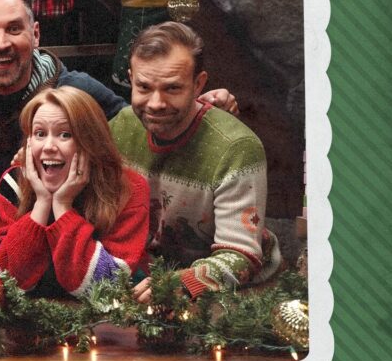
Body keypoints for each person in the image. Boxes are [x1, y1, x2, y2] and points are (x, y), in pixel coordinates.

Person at [0, 0, 237, 188]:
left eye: (15, 29)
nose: (1, 43)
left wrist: (197, 107)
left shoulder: (76, 89)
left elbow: (147, 123)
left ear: (36, 35)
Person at [109, 21, 280, 302]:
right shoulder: (122, 125)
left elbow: (240, 256)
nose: (155, 103)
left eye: (172, 89)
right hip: (146, 275)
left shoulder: (237, 148)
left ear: (198, 83)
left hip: (240, 292)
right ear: (131, 78)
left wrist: (179, 283)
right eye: (143, 87)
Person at [0, 86, 150, 297]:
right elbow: (1, 282)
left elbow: (108, 288)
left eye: (65, 134)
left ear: (91, 142)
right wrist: (42, 203)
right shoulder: (13, 182)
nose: (49, 146)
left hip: (104, 324)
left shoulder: (127, 188)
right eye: (40, 134)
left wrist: (62, 206)